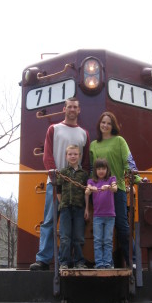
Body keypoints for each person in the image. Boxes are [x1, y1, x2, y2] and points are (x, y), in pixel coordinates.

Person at [30, 98, 90, 271]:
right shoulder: (53, 129)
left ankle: (75, 259)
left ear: (79, 110)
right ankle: (43, 259)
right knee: (50, 220)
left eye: (75, 107)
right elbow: (47, 155)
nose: (72, 109)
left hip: (76, 187)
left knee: (77, 222)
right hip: (55, 183)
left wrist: (82, 179)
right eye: (69, 106)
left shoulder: (84, 133)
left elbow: (85, 162)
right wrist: (54, 176)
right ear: (64, 109)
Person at [89, 112, 140, 266]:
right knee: (100, 228)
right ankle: (103, 262)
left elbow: (128, 161)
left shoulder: (119, 141)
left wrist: (137, 178)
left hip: (117, 190)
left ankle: (133, 260)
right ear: (99, 124)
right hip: (99, 193)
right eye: (103, 122)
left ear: (113, 126)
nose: (105, 125)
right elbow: (92, 168)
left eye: (109, 123)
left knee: (122, 225)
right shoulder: (93, 145)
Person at [57, 145, 89, 269]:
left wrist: (86, 209)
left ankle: (79, 262)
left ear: (79, 156)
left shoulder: (84, 174)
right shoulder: (63, 173)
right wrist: (62, 203)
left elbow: (87, 193)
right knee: (65, 237)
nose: (73, 156)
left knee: (79, 237)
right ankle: (64, 262)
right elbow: (58, 190)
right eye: (70, 154)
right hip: (65, 209)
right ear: (66, 156)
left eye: (75, 154)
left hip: (79, 208)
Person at [85, 159, 117, 269]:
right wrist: (90, 189)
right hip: (97, 216)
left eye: (103, 168)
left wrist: (108, 187)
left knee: (108, 240)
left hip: (110, 216)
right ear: (95, 170)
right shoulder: (91, 181)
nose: (101, 171)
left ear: (107, 170)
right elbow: (87, 192)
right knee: (98, 240)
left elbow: (115, 189)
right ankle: (99, 264)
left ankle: (107, 263)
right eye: (98, 169)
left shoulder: (111, 179)